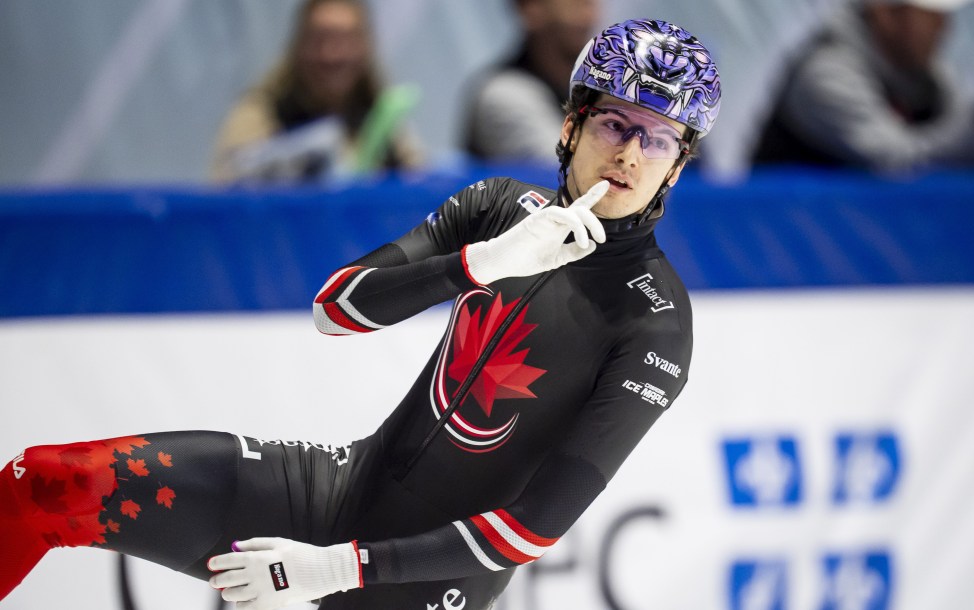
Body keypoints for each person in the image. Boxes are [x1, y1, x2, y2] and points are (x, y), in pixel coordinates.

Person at [0, 18, 721, 610]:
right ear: (571, 126)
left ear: (677, 166)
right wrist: (480, 264)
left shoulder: (655, 322)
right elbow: (334, 310)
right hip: (339, 491)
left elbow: (532, 529)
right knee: (42, 486)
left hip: (423, 584)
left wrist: (336, 569)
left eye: (658, 139)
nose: (630, 154)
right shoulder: (499, 207)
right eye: (615, 124)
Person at [751, 0, 974, 173]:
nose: (945, 27)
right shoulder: (825, 74)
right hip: (781, 270)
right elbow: (900, 167)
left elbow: (961, 163)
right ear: (886, 13)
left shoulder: (934, 78)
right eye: (931, 14)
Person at [210, 0, 422, 183]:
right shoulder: (260, 114)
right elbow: (226, 194)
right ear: (298, 47)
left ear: (366, 48)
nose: (331, 55)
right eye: (318, 40)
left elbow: (422, 187)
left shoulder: (383, 122)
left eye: (345, 41)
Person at [461, 0, 600, 162]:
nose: (587, 16)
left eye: (589, 4)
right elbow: (572, 168)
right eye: (575, 4)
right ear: (530, 8)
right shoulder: (504, 96)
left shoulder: (592, 88)